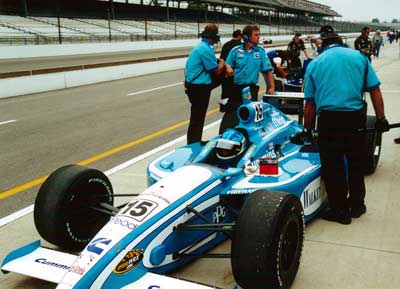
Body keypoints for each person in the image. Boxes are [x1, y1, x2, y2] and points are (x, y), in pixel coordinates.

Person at [304, 25, 389, 225]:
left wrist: (307, 130)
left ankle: (340, 210)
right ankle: (358, 205)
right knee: (356, 162)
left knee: (333, 166)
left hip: (329, 120)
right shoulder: (359, 58)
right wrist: (381, 119)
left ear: (323, 45)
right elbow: (375, 90)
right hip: (355, 118)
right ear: (341, 42)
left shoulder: (315, 63)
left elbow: (310, 104)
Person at [219, 25, 275, 134]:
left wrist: (271, 87)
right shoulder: (235, 51)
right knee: (231, 116)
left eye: (259, 35)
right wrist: (228, 66)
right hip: (236, 89)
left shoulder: (260, 52)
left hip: (251, 89)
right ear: (246, 37)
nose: (259, 37)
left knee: (250, 116)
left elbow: (267, 71)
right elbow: (227, 63)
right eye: (256, 35)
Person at [184, 23, 225, 144]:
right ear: (213, 37)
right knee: (198, 117)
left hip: (194, 86)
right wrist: (222, 62)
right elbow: (216, 70)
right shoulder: (205, 49)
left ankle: (195, 140)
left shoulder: (201, 46)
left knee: (197, 116)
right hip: (199, 87)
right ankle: (194, 142)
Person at [219, 29, 242, 113]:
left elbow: (222, 58)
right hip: (236, 71)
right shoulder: (240, 45)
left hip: (225, 71)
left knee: (225, 90)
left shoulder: (226, 45)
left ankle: (223, 106)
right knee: (235, 91)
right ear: (239, 36)